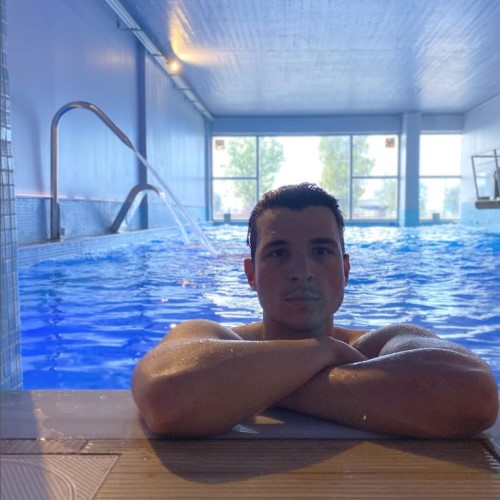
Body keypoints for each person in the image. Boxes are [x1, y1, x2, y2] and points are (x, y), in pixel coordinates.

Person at [131, 183, 498, 438]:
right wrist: (323, 350)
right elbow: (166, 398)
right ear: (251, 274)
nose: (302, 271)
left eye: (321, 251)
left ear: (345, 269)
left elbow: (475, 396)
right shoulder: (212, 336)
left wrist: (246, 387)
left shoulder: (381, 343)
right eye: (279, 253)